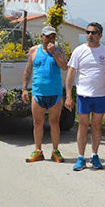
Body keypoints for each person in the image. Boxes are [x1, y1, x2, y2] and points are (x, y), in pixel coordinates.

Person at [65, 22, 105, 171]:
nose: (90, 35)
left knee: (97, 126)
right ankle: (81, 157)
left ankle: (94, 155)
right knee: (83, 126)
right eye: (88, 32)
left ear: (100, 35)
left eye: (93, 33)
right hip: (83, 96)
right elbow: (70, 74)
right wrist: (68, 96)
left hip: (99, 96)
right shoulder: (79, 51)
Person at [22, 26, 69, 163]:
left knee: (54, 122)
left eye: (53, 36)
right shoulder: (33, 51)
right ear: (42, 36)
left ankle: (55, 151)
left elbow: (65, 66)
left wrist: (54, 53)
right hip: (38, 93)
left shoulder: (58, 49)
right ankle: (38, 151)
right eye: (48, 36)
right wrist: (24, 89)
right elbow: (28, 70)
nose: (51, 39)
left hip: (55, 93)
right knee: (38, 123)